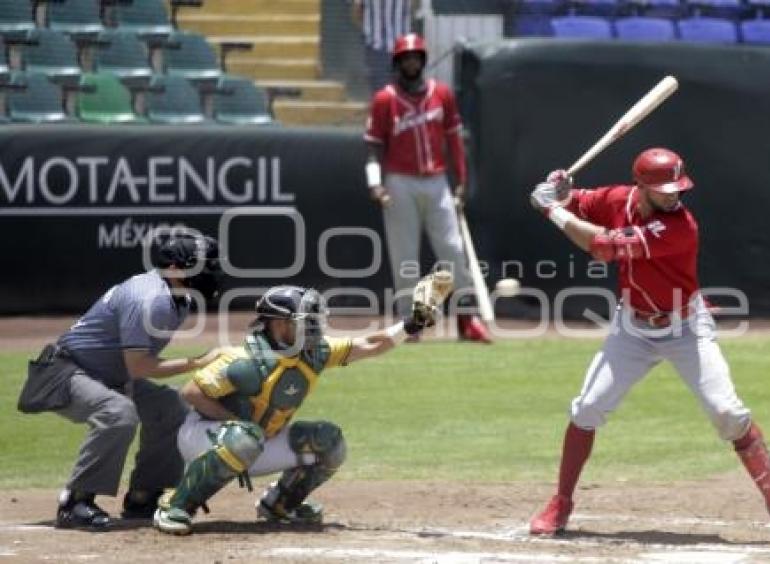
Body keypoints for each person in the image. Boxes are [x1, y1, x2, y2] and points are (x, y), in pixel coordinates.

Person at [526, 148, 770, 545]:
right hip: (633, 327)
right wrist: (559, 188)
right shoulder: (617, 199)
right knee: (588, 408)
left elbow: (603, 247)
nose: (672, 196)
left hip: (685, 327)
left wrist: (551, 212)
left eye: (676, 188)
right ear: (640, 187)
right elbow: (576, 200)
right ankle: (561, 501)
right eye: (662, 190)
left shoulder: (681, 227)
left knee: (727, 412)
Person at [152, 272, 453, 535]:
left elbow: (370, 344)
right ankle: (177, 503)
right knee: (244, 438)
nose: (315, 328)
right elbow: (191, 392)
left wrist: (412, 324)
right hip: (204, 440)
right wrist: (233, 422)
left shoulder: (315, 353)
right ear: (280, 324)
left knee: (328, 441)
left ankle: (281, 502)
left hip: (258, 442)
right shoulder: (242, 359)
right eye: (306, 321)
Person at [22, 232, 224, 530]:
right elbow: (140, 366)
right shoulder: (150, 298)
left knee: (172, 407)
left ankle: (144, 495)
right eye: (202, 265)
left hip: (109, 375)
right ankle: (75, 501)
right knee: (118, 413)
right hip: (65, 371)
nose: (210, 272)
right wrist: (198, 362)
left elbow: (133, 366)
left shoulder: (175, 296)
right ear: (176, 269)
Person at [364, 33, 491, 343]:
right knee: (404, 256)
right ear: (398, 62)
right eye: (405, 57)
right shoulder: (385, 99)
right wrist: (375, 182)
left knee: (453, 250)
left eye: (415, 57)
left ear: (422, 60)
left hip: (436, 181)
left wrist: (461, 181)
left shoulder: (442, 94)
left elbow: (454, 142)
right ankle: (411, 322)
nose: (411, 62)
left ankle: (466, 318)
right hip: (399, 181)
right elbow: (373, 147)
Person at [350, 0, 417, 94]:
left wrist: (367, 30)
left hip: (376, 48)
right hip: (401, 48)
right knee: (402, 93)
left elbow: (357, 11)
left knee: (380, 92)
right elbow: (414, 8)